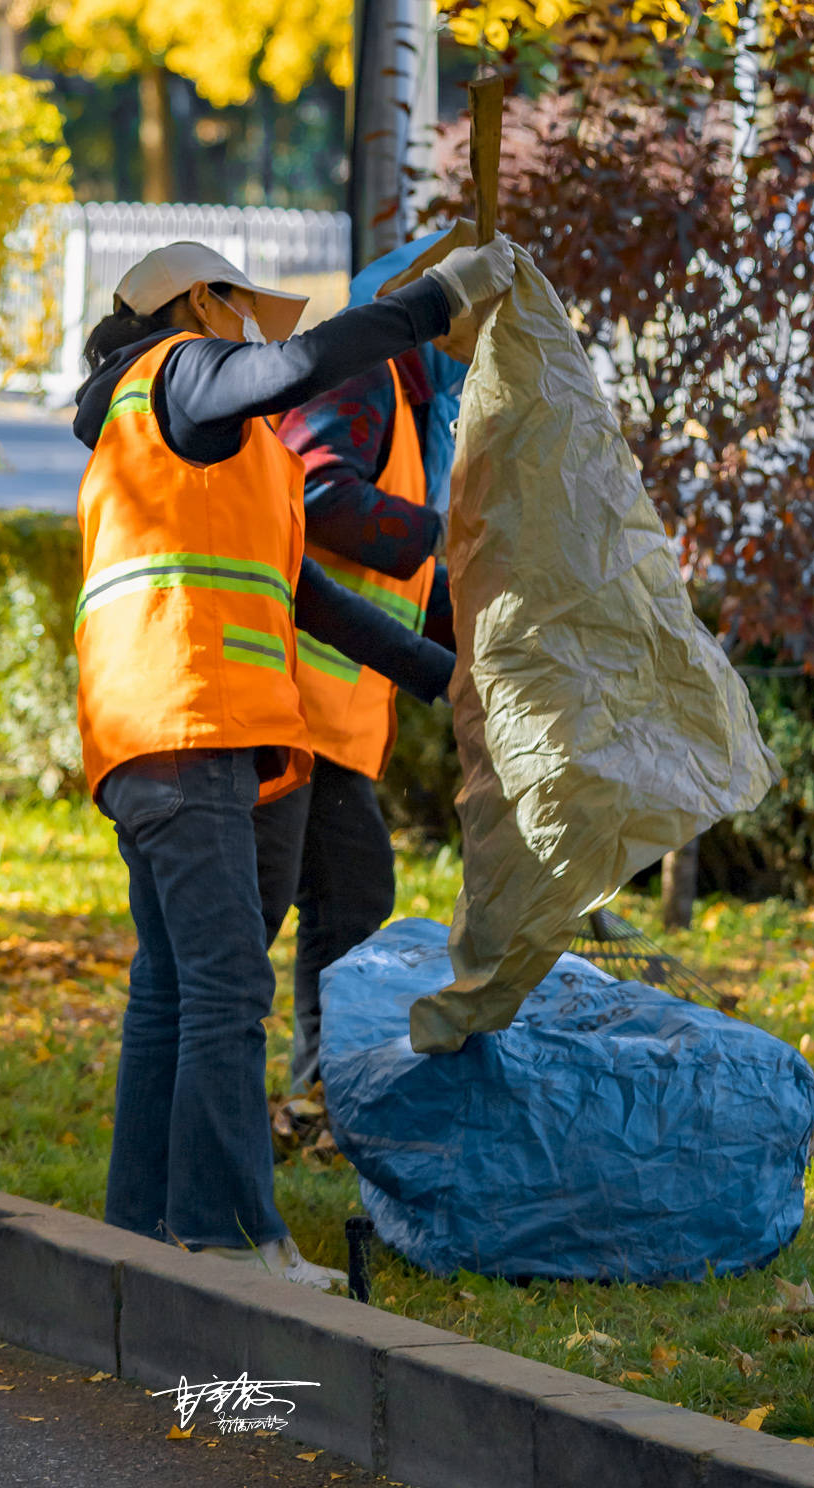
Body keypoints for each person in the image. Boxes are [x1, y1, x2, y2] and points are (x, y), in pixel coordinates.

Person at [72, 228, 515, 1284]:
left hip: (159, 733)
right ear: (199, 308)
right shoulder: (172, 376)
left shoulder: (206, 449)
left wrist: (446, 679)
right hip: (188, 720)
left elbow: (311, 601)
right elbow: (298, 364)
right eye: (236, 314)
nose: (248, 336)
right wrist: (433, 299)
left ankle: (144, 1227)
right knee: (227, 986)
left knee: (177, 988)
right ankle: (231, 1241)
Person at [254, 228, 477, 1091]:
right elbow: (318, 497)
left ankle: (323, 1090)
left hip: (328, 718)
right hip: (292, 701)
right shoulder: (361, 378)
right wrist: (447, 533)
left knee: (347, 901)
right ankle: (315, 1092)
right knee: (309, 911)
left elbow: (410, 574)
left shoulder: (407, 408)